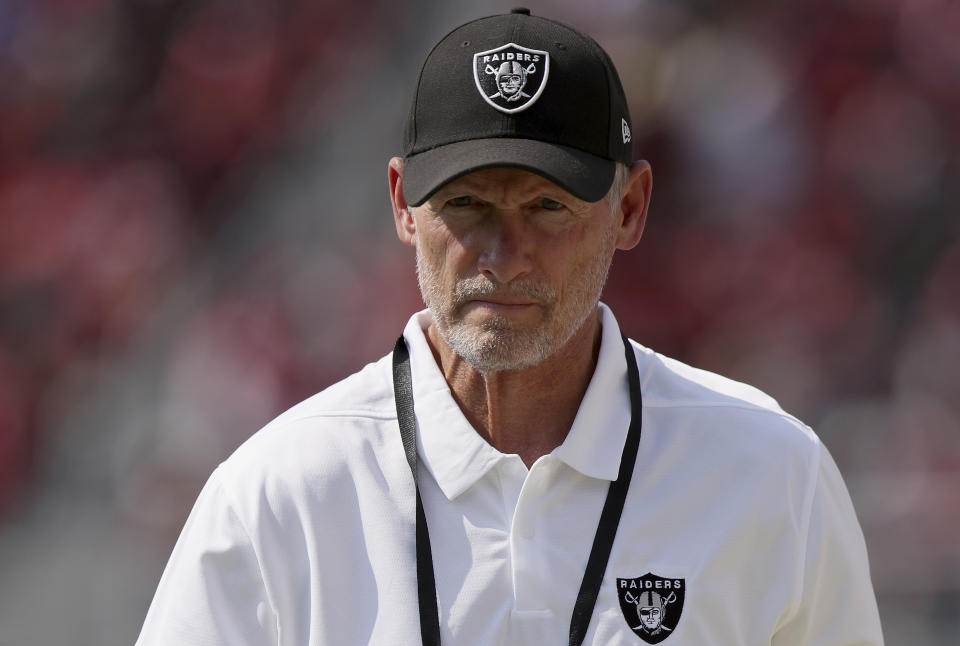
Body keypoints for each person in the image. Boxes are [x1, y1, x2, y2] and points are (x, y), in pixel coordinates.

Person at [136, 9, 884, 646]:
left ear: (629, 209)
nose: (503, 255)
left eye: (548, 208)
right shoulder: (277, 493)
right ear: (403, 204)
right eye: (466, 205)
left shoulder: (771, 471)